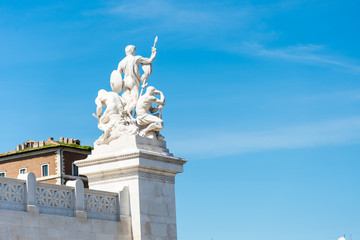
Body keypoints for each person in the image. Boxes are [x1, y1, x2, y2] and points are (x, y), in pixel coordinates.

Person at [117, 45, 157, 114]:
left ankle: (128, 118)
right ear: (132, 51)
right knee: (135, 102)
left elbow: (117, 76)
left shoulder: (121, 62)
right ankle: (126, 113)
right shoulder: (136, 58)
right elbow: (149, 61)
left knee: (128, 102)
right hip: (132, 82)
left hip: (124, 82)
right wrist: (154, 53)